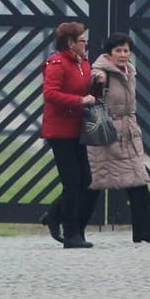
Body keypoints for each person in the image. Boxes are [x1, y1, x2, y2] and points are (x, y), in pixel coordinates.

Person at [87, 32, 150, 243]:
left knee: (138, 183)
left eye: (126, 50)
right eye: (118, 50)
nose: (122, 54)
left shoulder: (129, 70)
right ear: (109, 53)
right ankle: (59, 218)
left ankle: (145, 233)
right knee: (94, 182)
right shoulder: (101, 71)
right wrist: (97, 81)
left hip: (128, 134)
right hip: (107, 134)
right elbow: (92, 93)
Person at [39, 21, 99, 249]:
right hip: (60, 131)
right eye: (82, 40)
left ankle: (54, 215)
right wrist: (78, 101)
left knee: (86, 180)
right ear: (71, 43)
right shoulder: (57, 63)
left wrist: (96, 86)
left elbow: (84, 90)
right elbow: (50, 93)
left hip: (78, 129)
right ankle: (72, 234)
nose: (86, 43)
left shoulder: (83, 62)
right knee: (72, 182)